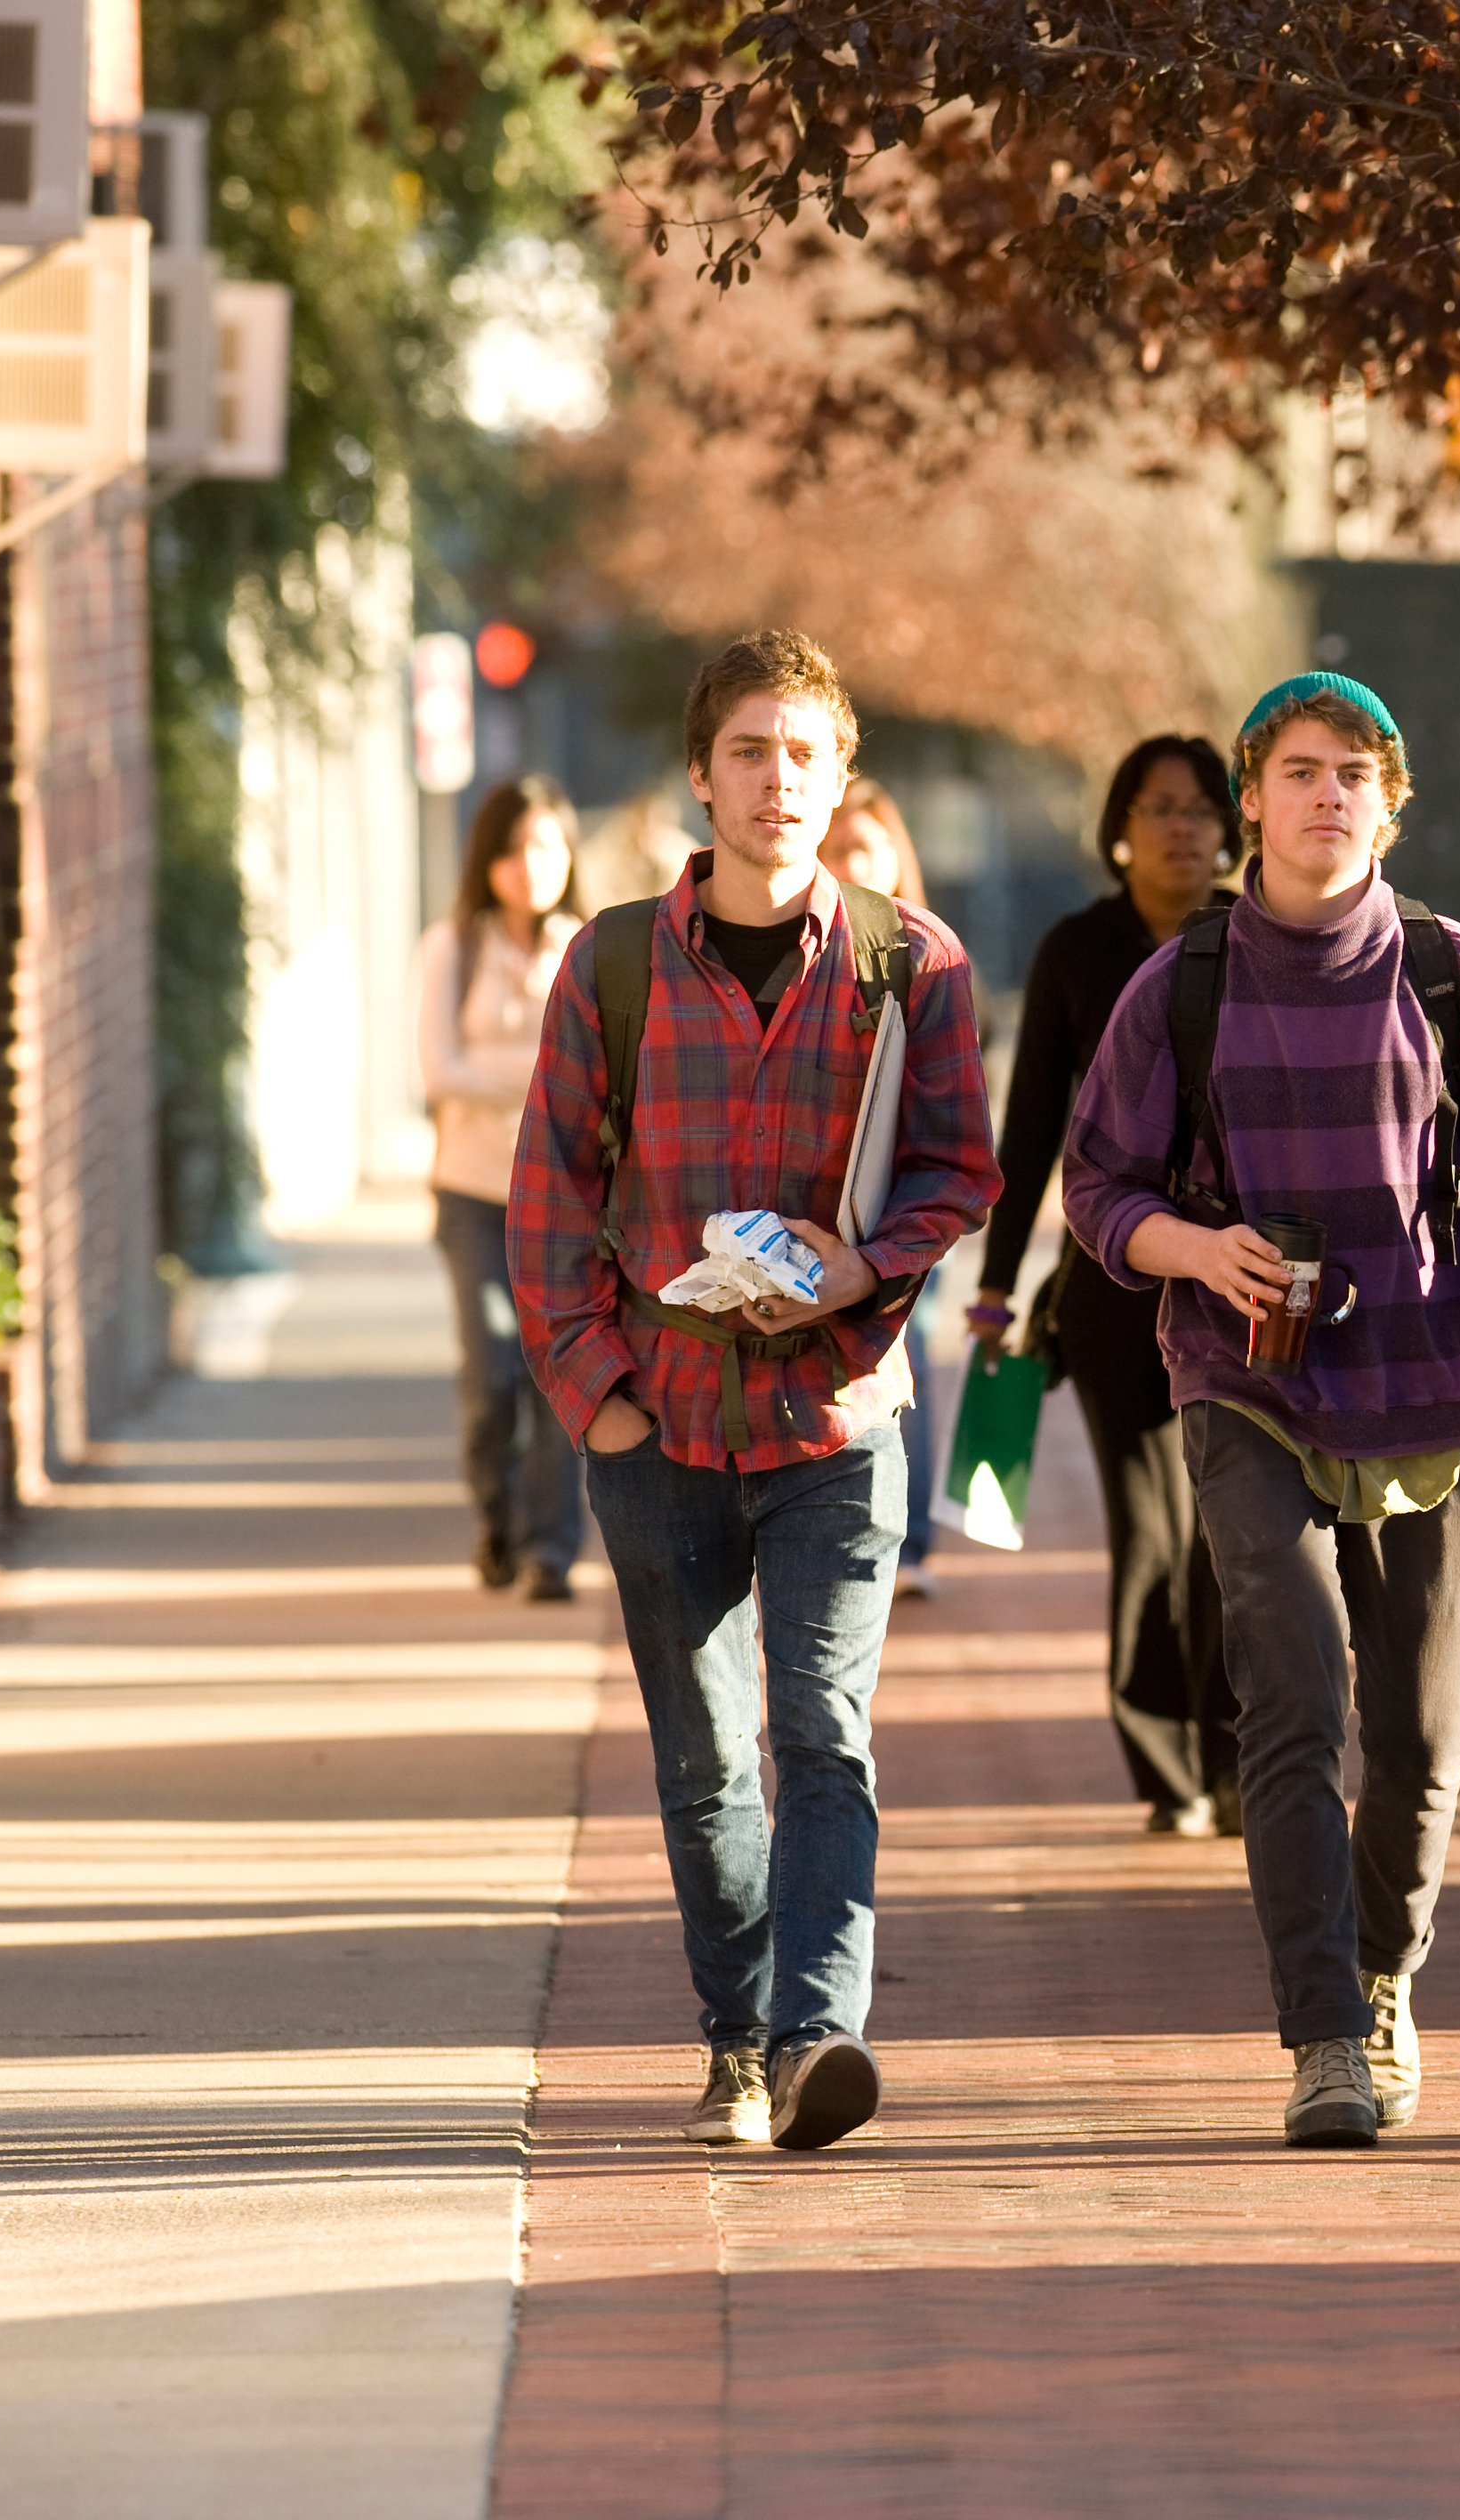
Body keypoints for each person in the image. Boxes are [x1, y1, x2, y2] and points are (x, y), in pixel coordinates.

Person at [510, 630, 1001, 2150]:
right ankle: (736, 2037)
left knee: (823, 1734)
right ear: (701, 776)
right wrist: (600, 1398)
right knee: (707, 1756)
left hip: (838, 1422)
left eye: (804, 753)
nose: (776, 779)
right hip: (660, 1429)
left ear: (841, 775)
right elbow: (545, 1199)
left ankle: (814, 2038)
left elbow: (955, 1167)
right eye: (749, 751)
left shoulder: (911, 964)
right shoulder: (609, 964)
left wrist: (865, 1272)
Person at [1063, 673, 1460, 2148]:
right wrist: (1196, 1249)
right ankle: (1327, 2034)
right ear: (1252, 800)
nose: (1325, 793)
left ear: (1389, 803)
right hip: (1247, 1381)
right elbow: (1099, 1187)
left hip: (1431, 1393)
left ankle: (1385, 1967)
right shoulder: (1186, 983)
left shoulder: (1456, 977)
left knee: (1422, 1717)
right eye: (1296, 769)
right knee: (1292, 1691)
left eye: (1354, 771)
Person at [971, 736, 1245, 1837]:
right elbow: (1031, 1122)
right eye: (1157, 807)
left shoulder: (1254, 934)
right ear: (1121, 824)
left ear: (1230, 825)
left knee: (1234, 1529)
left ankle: (1237, 1761)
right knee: (1148, 1529)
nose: (1180, 827)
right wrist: (995, 1289)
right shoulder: (1077, 950)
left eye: (1198, 809)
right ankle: (1164, 1765)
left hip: (1237, 1281)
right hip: (1112, 1278)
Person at [416, 776, 588, 1602]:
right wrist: (542, 1084)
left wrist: (506, 1077)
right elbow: (438, 1070)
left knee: (555, 1364)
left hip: (564, 1197)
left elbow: (605, 1077)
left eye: (547, 846)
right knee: (491, 1372)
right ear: (488, 861)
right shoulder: (452, 948)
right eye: (515, 849)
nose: (532, 865)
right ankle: (499, 1517)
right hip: (473, 1194)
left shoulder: (589, 950)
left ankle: (552, 1547)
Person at [820, 778, 946, 1602]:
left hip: (908, 1204)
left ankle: (910, 1539)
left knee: (914, 1352)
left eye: (870, 846)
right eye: (842, 850)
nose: (857, 862)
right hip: (823, 1206)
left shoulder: (931, 959)